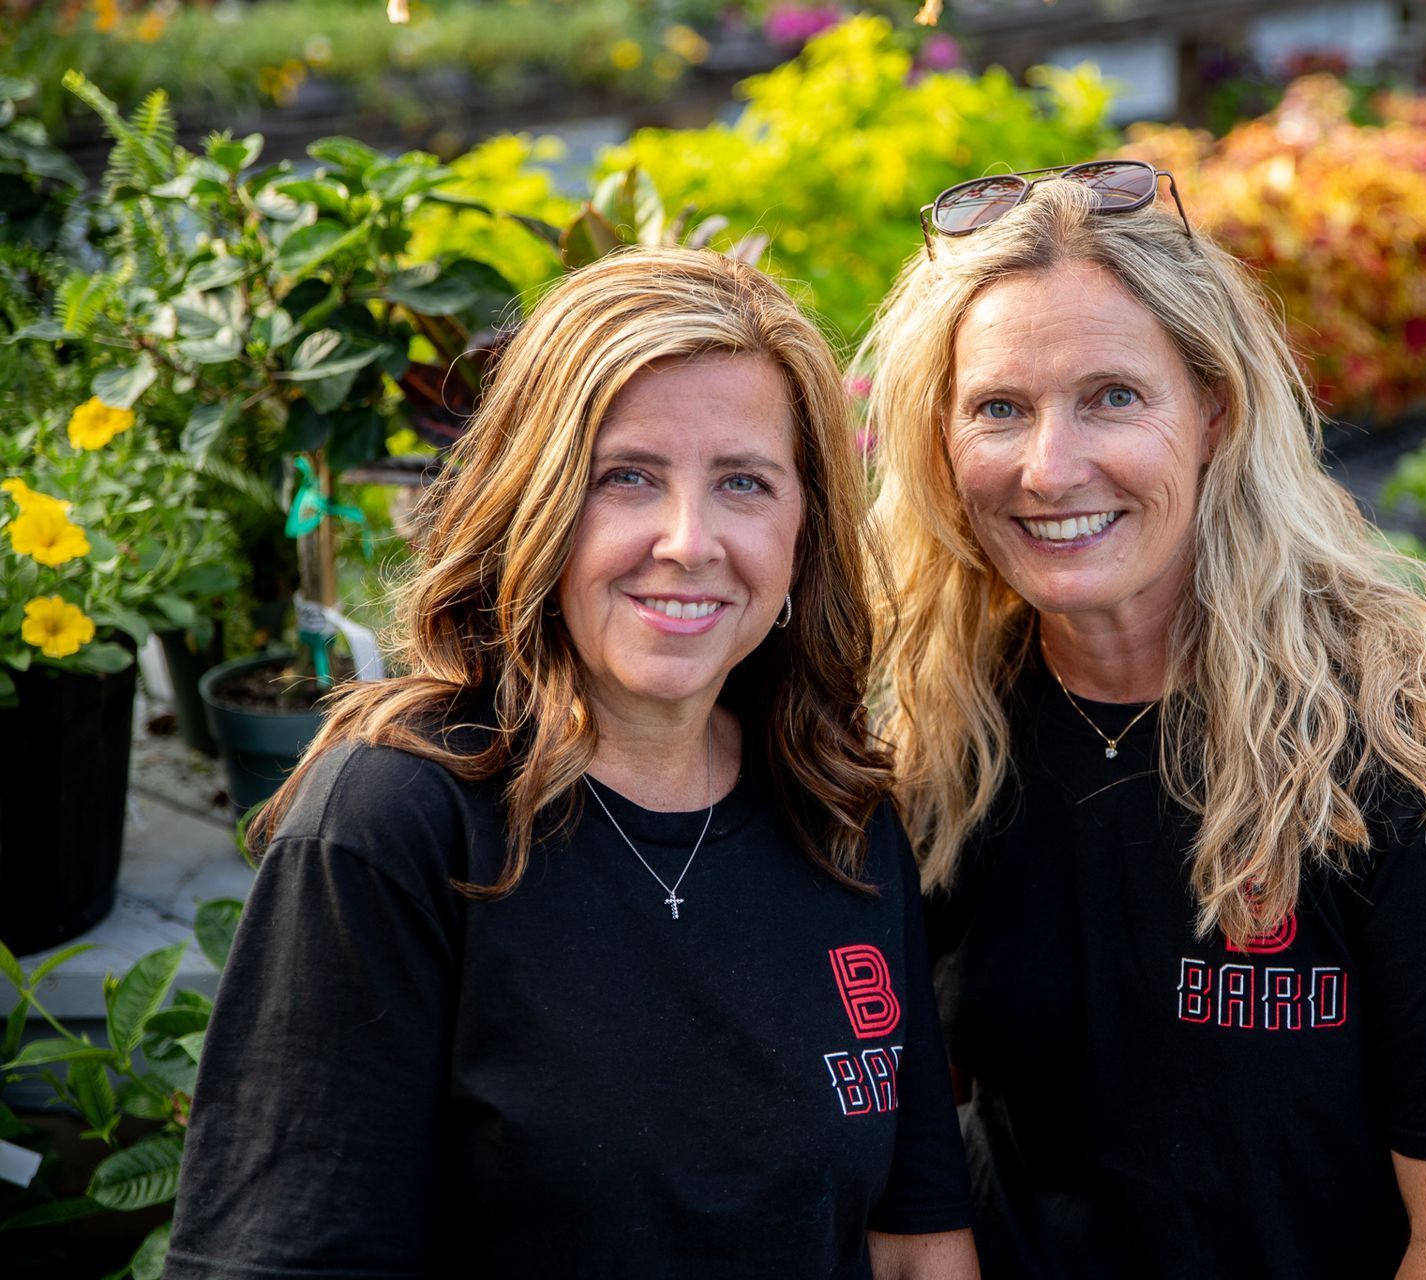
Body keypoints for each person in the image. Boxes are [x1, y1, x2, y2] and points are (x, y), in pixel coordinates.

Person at [166, 248, 977, 1280]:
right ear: (535, 507)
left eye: (743, 481)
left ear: (802, 531)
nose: (688, 540)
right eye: (626, 476)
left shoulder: (840, 813)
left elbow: (915, 1246)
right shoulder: (397, 823)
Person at [861, 162, 1426, 1278]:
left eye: (1113, 396)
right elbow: (915, 1125)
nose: (1050, 467)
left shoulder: (1392, 765)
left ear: (1214, 411)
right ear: (943, 447)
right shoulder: (945, 731)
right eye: (999, 408)